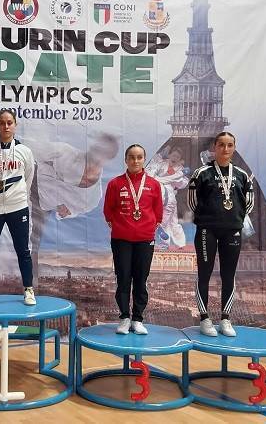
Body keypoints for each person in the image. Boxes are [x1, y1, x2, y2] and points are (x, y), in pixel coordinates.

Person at [187, 131, 254, 337]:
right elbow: (192, 202)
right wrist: (207, 217)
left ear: (234, 148)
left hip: (232, 230)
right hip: (207, 229)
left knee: (228, 274)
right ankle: (204, 318)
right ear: (214, 147)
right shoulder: (201, 173)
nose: (225, 149)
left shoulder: (242, 175)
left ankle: (226, 319)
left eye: (230, 145)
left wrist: (234, 218)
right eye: (221, 145)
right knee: (204, 273)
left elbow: (249, 204)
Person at [29, 133, 119, 284]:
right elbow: (30, 152)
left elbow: (73, 210)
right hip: (24, 186)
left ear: (108, 157)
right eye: (98, 147)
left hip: (41, 208)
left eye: (104, 151)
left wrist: (67, 212)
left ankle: (30, 286)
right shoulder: (64, 151)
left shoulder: (93, 197)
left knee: (31, 245)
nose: (98, 153)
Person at [0, 109, 35, 306]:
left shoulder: (25, 151)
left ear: (15, 125)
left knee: (23, 250)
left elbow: (28, 178)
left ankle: (28, 289)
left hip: (18, 206)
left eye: (10, 122)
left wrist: (16, 195)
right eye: (2, 123)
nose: (6, 126)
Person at [103, 144, 163, 334]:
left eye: (139, 157)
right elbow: (108, 210)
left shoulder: (154, 184)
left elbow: (158, 212)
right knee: (123, 278)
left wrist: (148, 228)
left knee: (141, 279)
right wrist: (120, 226)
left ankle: (137, 319)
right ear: (126, 160)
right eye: (131, 157)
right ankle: (124, 318)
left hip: (145, 239)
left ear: (144, 159)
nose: (135, 161)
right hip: (121, 239)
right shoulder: (115, 183)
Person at [146, 145, 190, 249]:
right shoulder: (162, 163)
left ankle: (180, 244)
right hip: (158, 193)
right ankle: (163, 244)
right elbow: (150, 176)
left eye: (177, 157)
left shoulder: (180, 169)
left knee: (173, 222)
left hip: (170, 196)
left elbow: (183, 183)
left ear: (180, 159)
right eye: (173, 155)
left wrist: (162, 179)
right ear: (169, 155)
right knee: (163, 220)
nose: (175, 158)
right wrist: (173, 177)